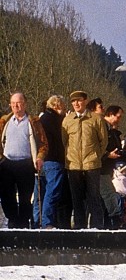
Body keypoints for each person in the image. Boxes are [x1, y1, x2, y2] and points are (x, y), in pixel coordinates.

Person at [0, 92, 48, 229]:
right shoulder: (5, 121)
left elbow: (44, 144)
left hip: (25, 163)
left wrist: (40, 158)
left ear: (25, 104)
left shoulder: (33, 122)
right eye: (13, 103)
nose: (16, 106)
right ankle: (12, 220)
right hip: (7, 164)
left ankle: (23, 223)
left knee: (25, 197)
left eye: (19, 102)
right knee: (6, 195)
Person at [62, 90, 108, 229]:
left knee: (94, 198)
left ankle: (97, 228)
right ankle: (79, 228)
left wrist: (95, 155)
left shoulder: (96, 119)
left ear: (86, 101)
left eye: (79, 100)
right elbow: (65, 142)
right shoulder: (67, 120)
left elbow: (103, 141)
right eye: (73, 101)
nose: (76, 103)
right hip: (73, 165)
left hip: (92, 164)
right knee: (77, 200)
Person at [37, 95, 67, 228]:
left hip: (42, 160)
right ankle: (47, 222)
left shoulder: (42, 119)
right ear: (57, 106)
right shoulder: (55, 120)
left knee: (41, 193)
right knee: (52, 192)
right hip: (54, 159)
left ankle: (37, 220)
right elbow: (62, 138)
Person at [97, 104, 126, 229]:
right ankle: (114, 220)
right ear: (111, 114)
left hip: (107, 168)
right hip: (102, 168)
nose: (119, 120)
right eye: (118, 117)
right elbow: (97, 146)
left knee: (107, 195)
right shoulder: (102, 127)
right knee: (108, 194)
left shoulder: (112, 130)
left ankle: (109, 222)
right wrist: (108, 155)